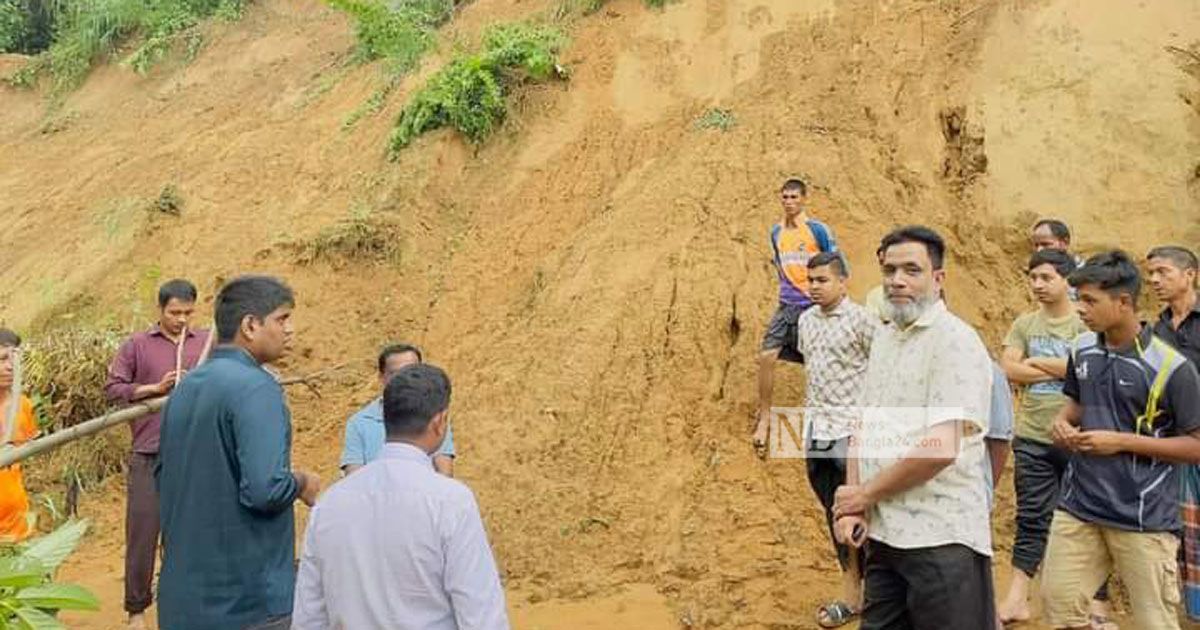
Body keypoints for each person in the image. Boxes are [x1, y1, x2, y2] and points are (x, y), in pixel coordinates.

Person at [832, 226, 995, 629]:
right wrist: (857, 501)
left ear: (938, 279)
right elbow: (863, 426)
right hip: (887, 537)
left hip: (941, 539)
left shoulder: (956, 342)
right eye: (889, 270)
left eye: (911, 270)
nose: (897, 280)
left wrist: (862, 495)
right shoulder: (886, 338)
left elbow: (940, 448)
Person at [1039, 251, 1200, 630]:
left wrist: (1121, 441)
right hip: (1078, 506)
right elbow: (1075, 404)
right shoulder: (1081, 350)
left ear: (1124, 302)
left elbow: (1195, 446)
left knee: (1154, 623)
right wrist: (1061, 423)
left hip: (1142, 518)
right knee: (1059, 610)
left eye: (1090, 300)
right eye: (1079, 298)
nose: (1080, 308)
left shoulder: (1173, 368)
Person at [156, 275, 321, 630]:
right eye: (282, 319)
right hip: (246, 603)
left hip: (183, 602)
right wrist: (302, 481)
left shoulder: (184, 391)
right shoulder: (257, 388)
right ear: (250, 325)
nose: (289, 330)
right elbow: (264, 489)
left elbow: (165, 481)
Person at [293, 364, 509, 630]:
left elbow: (309, 618)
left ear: (386, 418)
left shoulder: (329, 504)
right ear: (440, 422)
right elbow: (481, 616)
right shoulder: (451, 501)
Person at [104, 279, 211, 630]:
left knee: (190, 532)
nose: (181, 319)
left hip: (194, 453)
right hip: (149, 453)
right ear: (160, 310)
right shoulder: (137, 344)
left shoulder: (206, 343)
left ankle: (186, 602)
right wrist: (154, 388)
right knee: (143, 531)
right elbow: (113, 388)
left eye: (187, 312)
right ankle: (136, 610)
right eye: (174, 312)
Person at [994, 250, 1089, 624]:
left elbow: (1088, 371)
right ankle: (1017, 598)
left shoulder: (1083, 325)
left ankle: (1089, 605)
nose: (1037, 285)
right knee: (1031, 517)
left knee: (1085, 519)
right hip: (1032, 436)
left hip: (1079, 438)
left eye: (1046, 277)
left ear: (1067, 279)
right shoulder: (1024, 323)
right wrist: (1061, 370)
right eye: (1033, 278)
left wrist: (1036, 364)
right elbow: (1007, 368)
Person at [793, 252, 877, 628]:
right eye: (810, 280)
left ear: (843, 282)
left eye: (822, 280)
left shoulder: (863, 321)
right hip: (819, 431)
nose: (814, 287)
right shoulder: (805, 321)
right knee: (835, 512)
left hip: (853, 433)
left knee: (865, 512)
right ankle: (853, 591)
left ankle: (876, 594)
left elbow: (882, 373)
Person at [753, 177, 838, 455]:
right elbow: (780, 263)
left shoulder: (817, 230)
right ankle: (765, 417)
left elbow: (835, 264)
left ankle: (823, 420)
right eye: (785, 197)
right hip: (786, 305)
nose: (789, 202)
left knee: (817, 362)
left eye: (794, 197)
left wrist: (828, 299)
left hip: (812, 308)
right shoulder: (776, 232)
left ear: (804, 199)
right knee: (767, 356)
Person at [1146, 245, 1200, 622]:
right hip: (1177, 447)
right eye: (1151, 274)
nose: (1154, 280)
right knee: (1185, 537)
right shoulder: (1154, 331)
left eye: (1163, 272)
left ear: (1190, 274)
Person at [340, 343, 455, 477]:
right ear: (381, 377)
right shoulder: (359, 423)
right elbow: (354, 479)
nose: (406, 380)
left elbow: (445, 472)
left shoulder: (435, 417)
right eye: (396, 374)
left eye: (412, 371)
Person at [0, 329, 37, 543]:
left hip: (16, 527)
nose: (10, 367)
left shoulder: (22, 405)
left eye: (14, 359)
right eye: (3, 359)